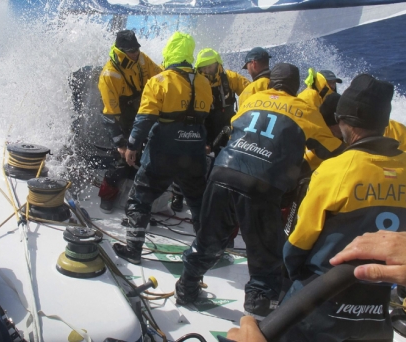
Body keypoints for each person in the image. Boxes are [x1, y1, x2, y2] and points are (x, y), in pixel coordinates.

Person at [176, 63, 345, 319]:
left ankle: (186, 288)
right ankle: (256, 314)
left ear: (271, 82)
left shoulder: (252, 99)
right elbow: (332, 150)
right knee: (265, 254)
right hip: (260, 185)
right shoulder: (304, 109)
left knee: (209, 239)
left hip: (222, 173)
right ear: (295, 86)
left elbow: (235, 128)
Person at [282, 74, 406, 341]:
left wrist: (293, 274)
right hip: (376, 304)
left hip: (324, 298)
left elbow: (300, 240)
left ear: (345, 120)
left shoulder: (335, 169)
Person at [111, 32, 213, 265]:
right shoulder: (204, 83)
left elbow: (144, 119)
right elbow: (206, 115)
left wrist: (132, 147)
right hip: (195, 150)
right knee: (198, 202)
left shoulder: (159, 81)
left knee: (140, 199)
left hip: (163, 152)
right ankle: (207, 252)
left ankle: (134, 250)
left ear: (169, 54)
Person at [170, 48, 251, 212]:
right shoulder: (195, 82)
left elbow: (250, 93)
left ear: (218, 65)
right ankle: (177, 194)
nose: (207, 71)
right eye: (204, 68)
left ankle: (214, 196)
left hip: (226, 127)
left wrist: (244, 116)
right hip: (201, 125)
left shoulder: (230, 77)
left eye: (210, 67)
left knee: (223, 162)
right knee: (188, 160)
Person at [97, 30, 163, 213]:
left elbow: (160, 76)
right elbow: (109, 115)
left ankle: (131, 199)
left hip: (141, 113)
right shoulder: (109, 75)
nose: (136, 53)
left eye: (137, 49)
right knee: (121, 161)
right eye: (131, 50)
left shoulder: (142, 59)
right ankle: (107, 196)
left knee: (140, 160)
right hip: (120, 118)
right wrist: (120, 143)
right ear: (121, 51)